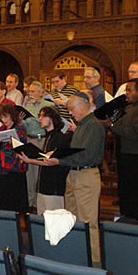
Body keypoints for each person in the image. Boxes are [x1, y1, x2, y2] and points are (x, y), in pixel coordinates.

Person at [45, 94, 106, 263]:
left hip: (86, 175)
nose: (70, 113)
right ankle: (77, 257)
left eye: (72, 109)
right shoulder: (82, 125)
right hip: (73, 174)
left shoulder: (93, 125)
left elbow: (86, 156)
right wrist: (57, 155)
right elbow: (75, 151)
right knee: (72, 220)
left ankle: (93, 263)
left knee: (88, 223)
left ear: (84, 105)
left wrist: (59, 160)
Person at [101, 79, 138, 223]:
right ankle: (125, 220)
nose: (127, 93)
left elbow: (134, 132)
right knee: (124, 190)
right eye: (126, 90)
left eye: (130, 90)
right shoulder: (128, 107)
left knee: (136, 192)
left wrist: (112, 125)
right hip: (125, 153)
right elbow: (116, 123)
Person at [19, 106, 71, 215]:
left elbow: (49, 161)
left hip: (54, 186)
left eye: (43, 116)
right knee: (42, 218)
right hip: (43, 185)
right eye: (39, 116)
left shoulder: (59, 137)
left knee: (54, 220)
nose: (39, 119)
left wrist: (29, 160)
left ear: (51, 118)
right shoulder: (49, 136)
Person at [22, 81, 55, 212]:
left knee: (39, 171)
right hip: (29, 139)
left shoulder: (48, 106)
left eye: (34, 91)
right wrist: (21, 120)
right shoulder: (27, 106)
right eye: (29, 91)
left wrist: (36, 118)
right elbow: (24, 125)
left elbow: (52, 122)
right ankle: (30, 202)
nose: (31, 94)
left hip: (41, 139)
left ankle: (39, 203)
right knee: (29, 172)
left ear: (42, 92)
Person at [0, 105, 28, 213]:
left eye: (6, 117)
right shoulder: (1, 128)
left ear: (12, 116)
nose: (4, 120)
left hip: (15, 167)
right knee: (3, 201)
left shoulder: (19, 128)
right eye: (2, 117)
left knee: (15, 201)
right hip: (3, 167)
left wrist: (2, 144)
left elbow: (22, 147)